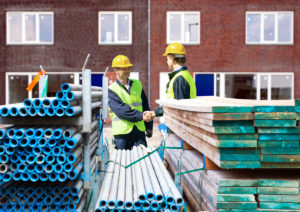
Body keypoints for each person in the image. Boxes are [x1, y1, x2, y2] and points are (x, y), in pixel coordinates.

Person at [108, 55, 153, 150]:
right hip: (122, 134)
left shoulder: (137, 84)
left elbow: (145, 105)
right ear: (116, 70)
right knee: (122, 162)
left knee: (141, 161)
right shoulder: (111, 89)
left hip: (139, 131)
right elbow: (122, 110)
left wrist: (149, 126)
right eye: (124, 68)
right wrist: (142, 116)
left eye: (128, 68)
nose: (127, 70)